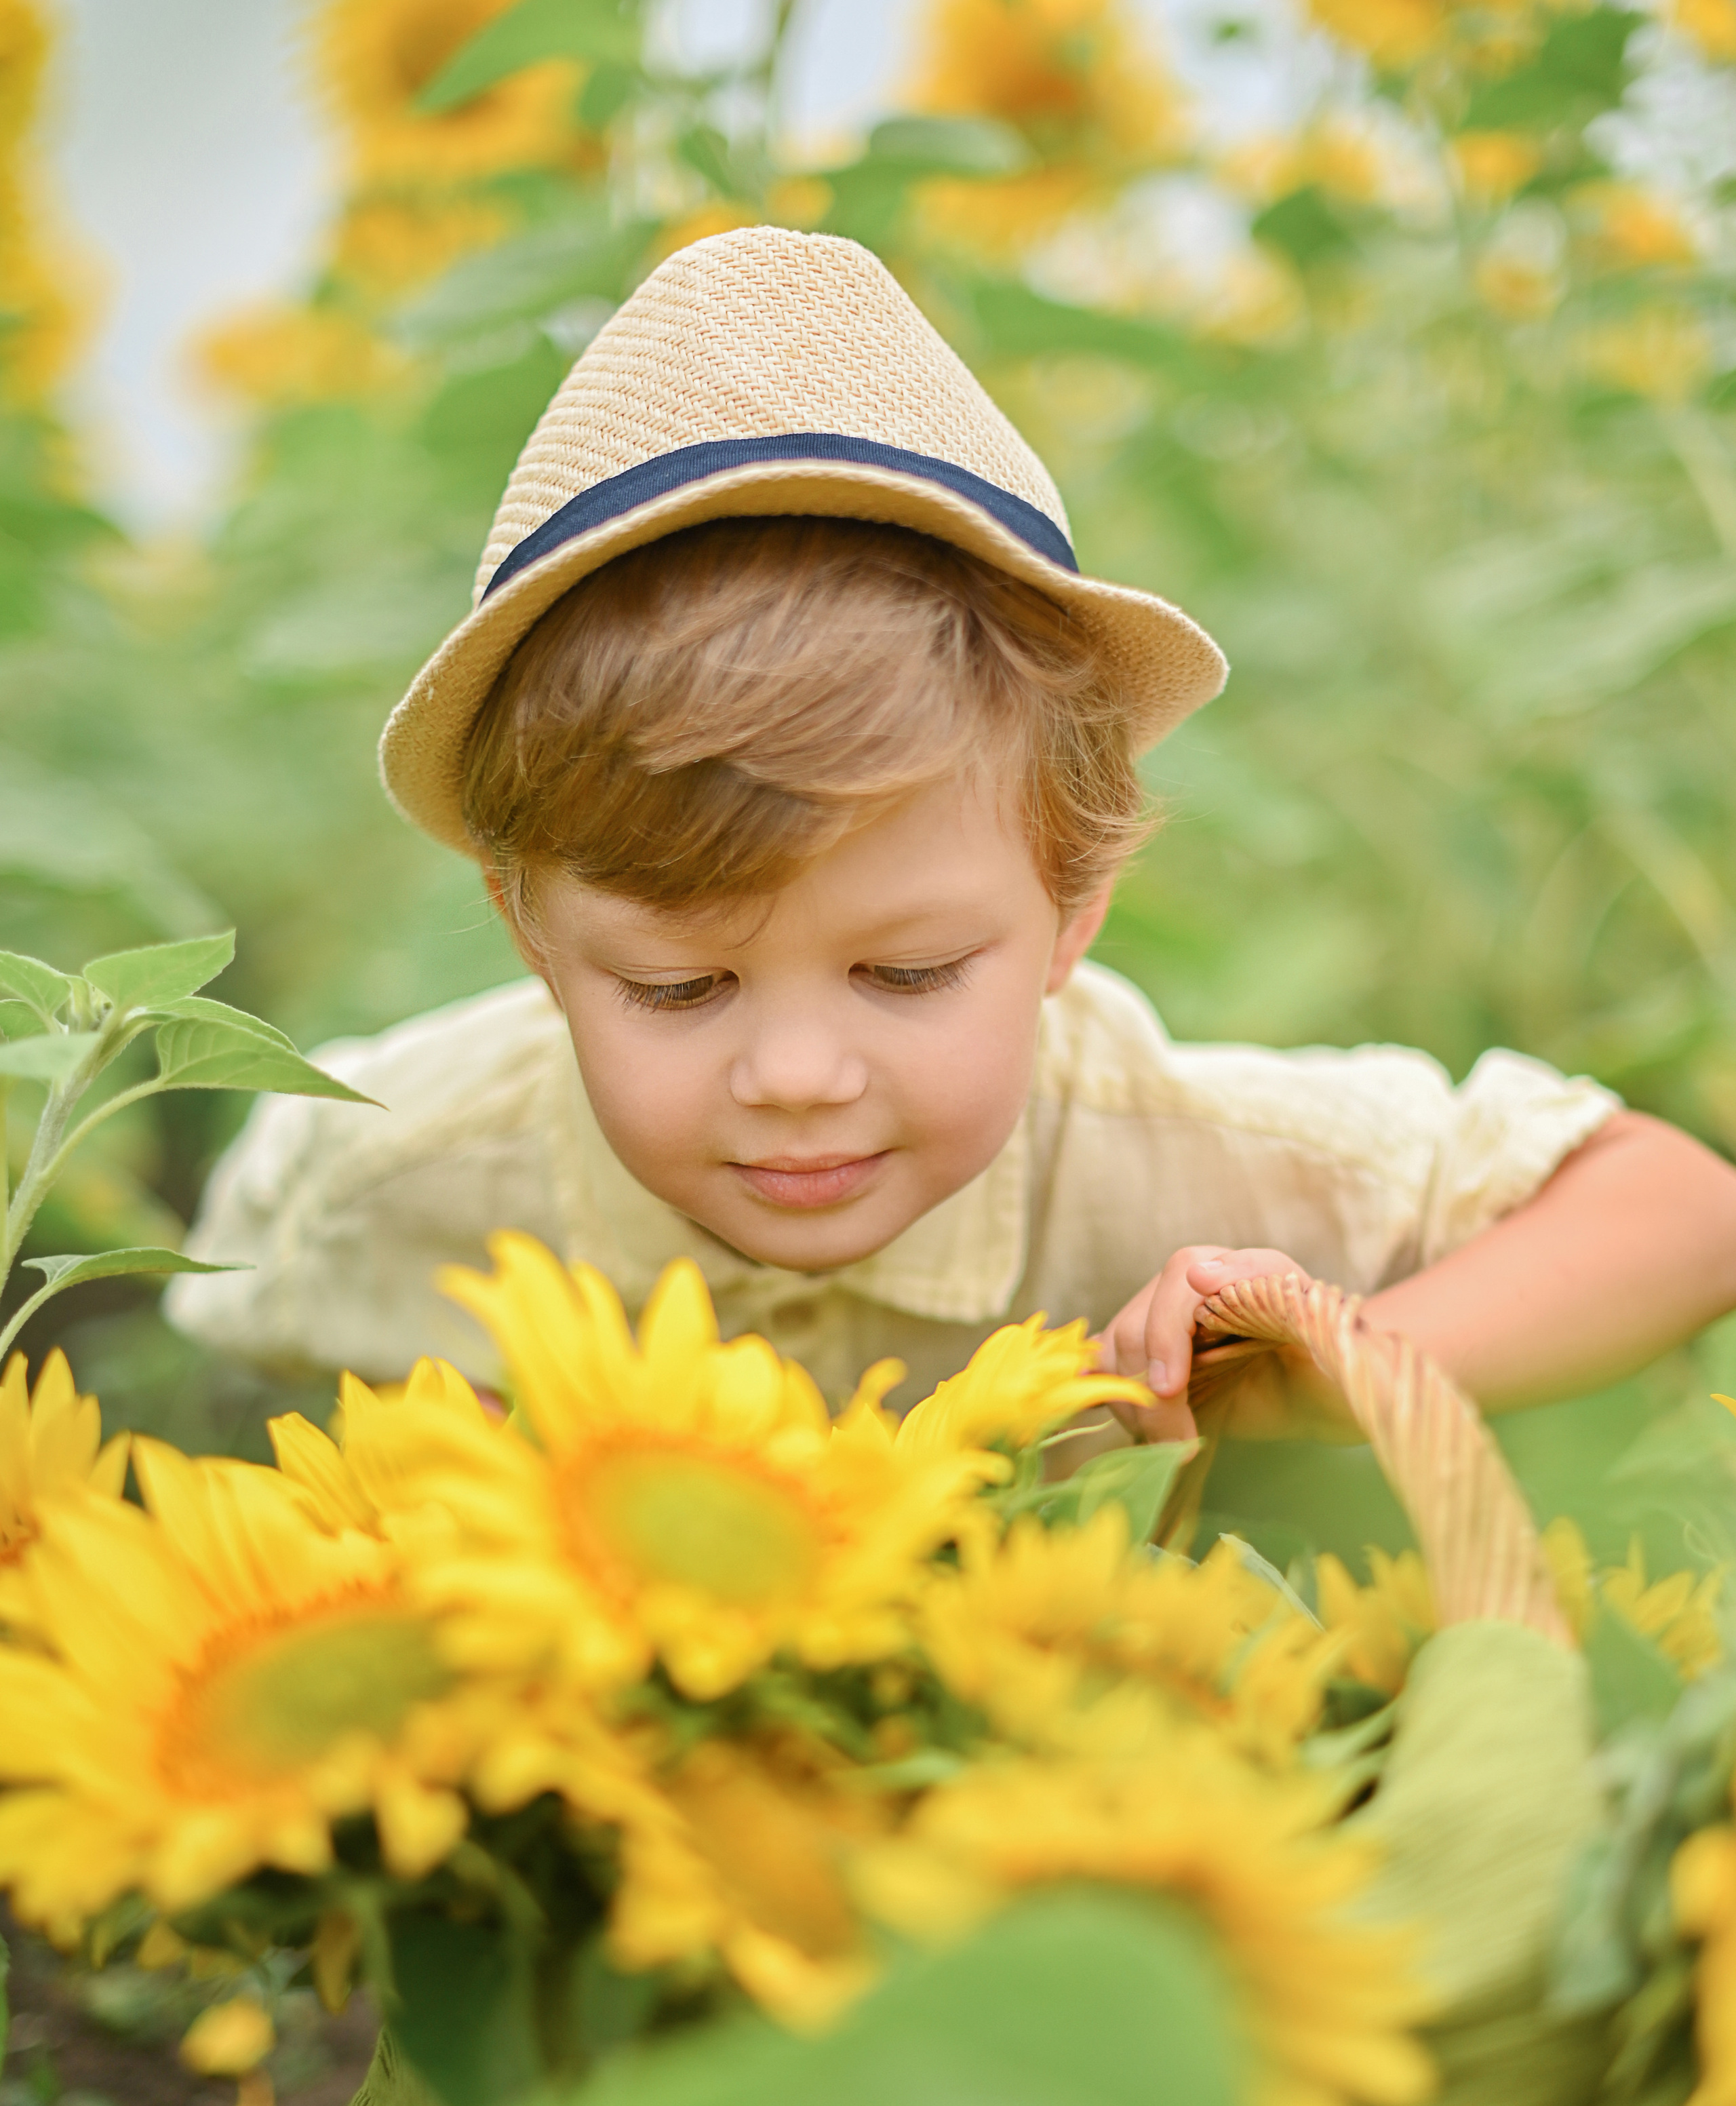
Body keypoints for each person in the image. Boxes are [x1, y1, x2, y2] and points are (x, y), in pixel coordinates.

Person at [169, 227, 1736, 1442]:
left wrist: (1349, 1364)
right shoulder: (391, 1174)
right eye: (676, 988)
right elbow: (223, 1342)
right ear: (530, 933)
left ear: (1070, 904)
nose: (795, 1074)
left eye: (906, 973)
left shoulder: (1172, 1159)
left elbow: (1678, 1207)